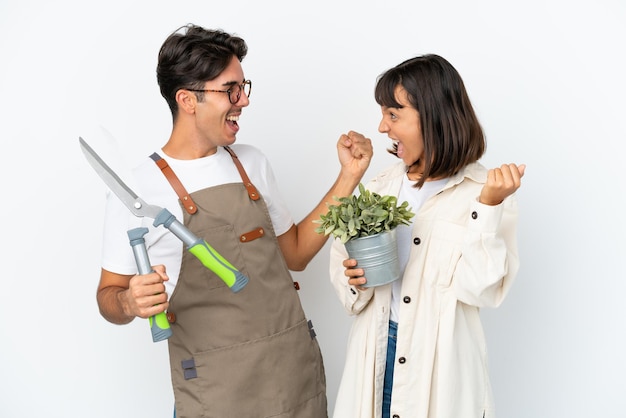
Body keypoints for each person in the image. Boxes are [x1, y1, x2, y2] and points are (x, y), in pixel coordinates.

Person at [96, 24, 372, 418]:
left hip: (292, 375)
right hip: (217, 391)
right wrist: (127, 300)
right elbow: (108, 296)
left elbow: (295, 254)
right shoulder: (138, 188)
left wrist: (348, 177)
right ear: (187, 100)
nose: (243, 100)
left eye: (244, 87)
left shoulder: (251, 163)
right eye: (230, 89)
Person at [329, 54, 525, 418]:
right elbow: (348, 293)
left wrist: (488, 208)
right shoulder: (379, 188)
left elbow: (481, 290)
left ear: (433, 116)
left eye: (393, 114)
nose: (382, 127)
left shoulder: (485, 192)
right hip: (376, 356)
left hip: (439, 372)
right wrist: (356, 279)